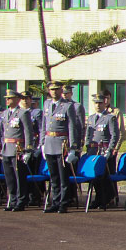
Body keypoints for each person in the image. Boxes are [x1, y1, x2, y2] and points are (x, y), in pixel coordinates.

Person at [40, 82, 80, 213]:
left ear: (61, 90)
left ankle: (64, 202)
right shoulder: (46, 104)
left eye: (56, 89)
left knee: (63, 177)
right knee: (54, 177)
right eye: (52, 89)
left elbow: (72, 127)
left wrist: (73, 148)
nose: (54, 92)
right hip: (49, 143)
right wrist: (42, 143)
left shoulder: (67, 106)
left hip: (62, 144)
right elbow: (44, 125)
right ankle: (55, 202)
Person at [0, 89, 35, 211]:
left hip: (17, 149)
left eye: (9, 98)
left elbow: (28, 132)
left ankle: (21, 201)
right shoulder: (4, 113)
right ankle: (12, 200)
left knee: (19, 177)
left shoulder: (23, 113)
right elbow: (2, 131)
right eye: (6, 98)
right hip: (6, 148)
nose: (7, 100)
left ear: (17, 99)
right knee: (9, 177)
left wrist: (28, 149)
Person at [85, 95, 118, 208]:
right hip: (93, 151)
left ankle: (107, 199)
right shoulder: (91, 118)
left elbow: (114, 135)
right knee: (95, 177)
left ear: (105, 103)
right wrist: (87, 147)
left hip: (104, 151)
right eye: (96, 103)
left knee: (105, 177)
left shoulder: (110, 118)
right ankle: (98, 198)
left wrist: (110, 149)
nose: (98, 105)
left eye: (100, 103)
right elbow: (88, 134)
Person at [20, 90, 44, 208]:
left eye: (27, 98)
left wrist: (41, 145)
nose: (25, 101)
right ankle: (24, 195)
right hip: (21, 146)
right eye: (23, 98)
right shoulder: (18, 113)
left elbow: (41, 129)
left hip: (34, 146)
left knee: (33, 171)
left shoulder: (36, 113)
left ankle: (35, 196)